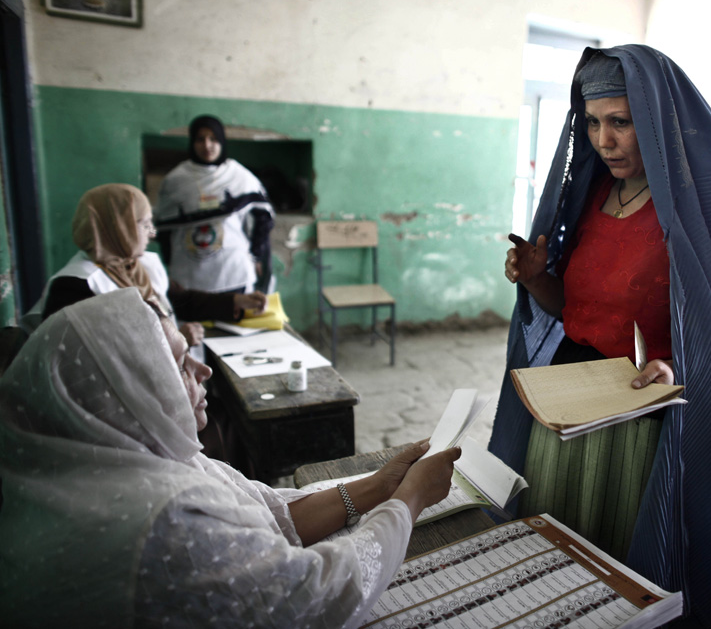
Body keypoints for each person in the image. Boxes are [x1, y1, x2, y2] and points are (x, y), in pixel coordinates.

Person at [490, 46, 711, 628]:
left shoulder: (693, 217)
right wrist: (537, 278)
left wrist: (681, 365)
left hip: (640, 408)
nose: (604, 140)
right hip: (566, 400)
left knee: (616, 553)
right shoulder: (590, 199)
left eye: (620, 122)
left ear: (655, 121)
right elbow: (573, 308)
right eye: (593, 123)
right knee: (555, 533)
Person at [0, 288, 460, 627]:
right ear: (122, 393)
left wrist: (381, 486)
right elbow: (318, 599)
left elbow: (270, 515)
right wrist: (411, 500)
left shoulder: (131, 456)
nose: (202, 370)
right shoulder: (163, 519)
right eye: (179, 364)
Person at [24, 183, 267, 348]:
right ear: (119, 227)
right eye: (145, 224)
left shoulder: (138, 264)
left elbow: (179, 300)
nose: (152, 234)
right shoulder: (76, 286)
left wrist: (235, 302)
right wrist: (171, 343)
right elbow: (88, 358)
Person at [154, 114, 275, 294]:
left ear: (222, 141)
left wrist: (256, 255)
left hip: (233, 272)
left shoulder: (238, 176)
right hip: (188, 275)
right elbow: (164, 228)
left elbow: (263, 217)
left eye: (213, 139)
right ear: (192, 142)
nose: (207, 145)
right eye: (200, 139)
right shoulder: (176, 180)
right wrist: (168, 264)